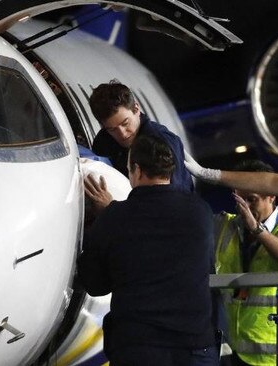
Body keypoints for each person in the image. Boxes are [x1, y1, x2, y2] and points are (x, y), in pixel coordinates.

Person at [78, 134, 219, 366]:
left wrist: (99, 223)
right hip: (196, 347)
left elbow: (94, 284)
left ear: (136, 170)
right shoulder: (200, 211)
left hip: (139, 348)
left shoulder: (114, 218)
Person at [215, 160, 278, 366]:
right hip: (236, 352)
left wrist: (258, 230)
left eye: (252, 200)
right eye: (240, 201)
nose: (245, 209)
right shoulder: (227, 227)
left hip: (276, 353)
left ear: (272, 195)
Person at [89, 79, 194, 192]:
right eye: (112, 129)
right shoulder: (103, 143)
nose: (122, 134)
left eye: (125, 123)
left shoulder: (162, 141)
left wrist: (113, 207)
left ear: (136, 109)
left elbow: (176, 197)